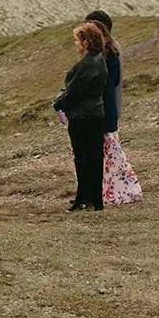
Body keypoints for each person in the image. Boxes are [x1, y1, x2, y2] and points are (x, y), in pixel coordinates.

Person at [87, 11, 144, 206]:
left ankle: (119, 191)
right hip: (108, 107)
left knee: (108, 152)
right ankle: (108, 191)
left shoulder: (103, 55)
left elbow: (99, 84)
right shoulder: (111, 50)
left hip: (102, 109)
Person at [53, 22, 108, 212]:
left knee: (83, 158)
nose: (75, 44)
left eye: (77, 41)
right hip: (95, 113)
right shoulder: (99, 59)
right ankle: (95, 199)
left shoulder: (86, 64)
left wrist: (59, 103)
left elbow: (75, 92)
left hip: (82, 116)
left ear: (85, 42)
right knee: (94, 158)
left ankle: (82, 199)